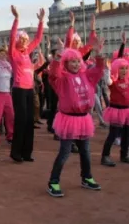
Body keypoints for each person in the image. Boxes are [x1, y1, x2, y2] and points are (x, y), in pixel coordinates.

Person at [46, 37, 104, 197]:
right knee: (64, 152)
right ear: (66, 63)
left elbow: (99, 70)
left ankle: (87, 177)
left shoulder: (87, 76)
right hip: (68, 120)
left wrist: (99, 54)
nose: (76, 64)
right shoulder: (62, 79)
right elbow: (53, 74)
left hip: (83, 119)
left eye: (78, 61)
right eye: (72, 61)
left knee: (85, 151)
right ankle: (53, 182)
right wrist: (58, 56)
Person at [8, 5, 45, 163]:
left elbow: (37, 39)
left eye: (25, 40)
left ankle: (27, 152)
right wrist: (16, 19)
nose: (24, 42)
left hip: (30, 90)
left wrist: (41, 22)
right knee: (21, 120)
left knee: (30, 121)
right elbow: (11, 37)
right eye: (21, 40)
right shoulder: (14, 53)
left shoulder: (27, 53)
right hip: (19, 90)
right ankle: (16, 152)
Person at [101, 32, 129, 167]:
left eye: (126, 68)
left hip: (127, 110)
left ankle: (124, 155)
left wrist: (124, 44)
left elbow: (121, 58)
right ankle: (105, 156)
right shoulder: (114, 80)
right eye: (122, 69)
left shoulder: (128, 78)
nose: (124, 70)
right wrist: (107, 70)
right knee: (113, 135)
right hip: (117, 110)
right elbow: (108, 81)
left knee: (127, 135)